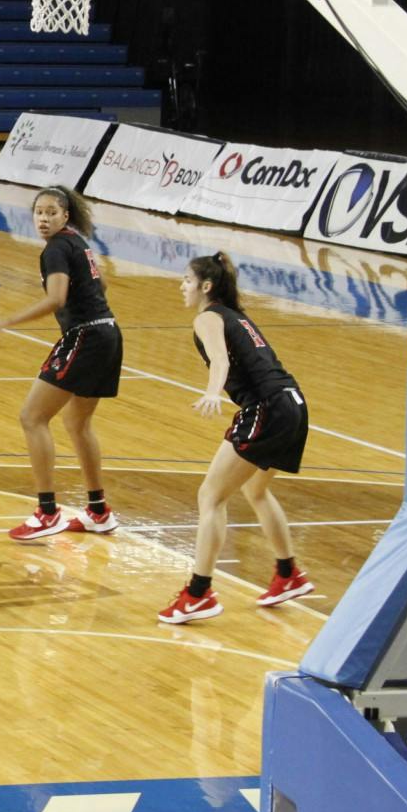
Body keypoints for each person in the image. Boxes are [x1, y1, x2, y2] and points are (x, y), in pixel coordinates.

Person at [159, 251, 316, 624]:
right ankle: (288, 573)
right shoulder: (236, 316)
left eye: (187, 280)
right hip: (293, 403)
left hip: (266, 408)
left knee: (210, 496)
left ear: (206, 286)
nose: (182, 286)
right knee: (255, 490)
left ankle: (198, 594)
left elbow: (221, 361)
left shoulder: (208, 317)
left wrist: (214, 391)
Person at [0, 185, 121, 541]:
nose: (43, 219)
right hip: (108, 333)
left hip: (86, 337)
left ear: (65, 215)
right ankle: (99, 511)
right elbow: (101, 282)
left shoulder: (58, 247)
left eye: (51, 213)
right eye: (39, 212)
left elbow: (56, 299)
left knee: (32, 417)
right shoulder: (77, 241)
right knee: (77, 423)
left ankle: (47, 513)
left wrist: (7, 320)